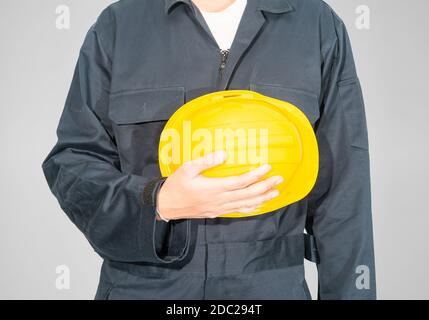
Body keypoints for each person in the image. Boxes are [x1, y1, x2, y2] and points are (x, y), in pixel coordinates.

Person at [42, 0, 376, 300]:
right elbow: (73, 162)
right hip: (143, 289)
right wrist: (158, 202)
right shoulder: (118, 26)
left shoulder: (316, 26)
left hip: (271, 287)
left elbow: (344, 193)